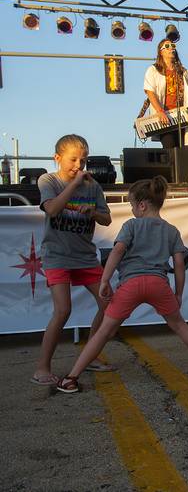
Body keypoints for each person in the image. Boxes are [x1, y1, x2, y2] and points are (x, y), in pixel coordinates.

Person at [56, 176, 188, 393]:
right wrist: (178, 293)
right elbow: (179, 263)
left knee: (104, 331)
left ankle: (71, 378)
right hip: (158, 284)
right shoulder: (171, 231)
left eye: (132, 205)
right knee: (179, 325)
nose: (132, 210)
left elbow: (118, 251)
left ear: (142, 205)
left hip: (130, 285)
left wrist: (105, 279)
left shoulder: (131, 225)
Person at [31, 135, 114, 386]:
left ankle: (92, 354)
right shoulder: (49, 180)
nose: (79, 165)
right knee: (63, 310)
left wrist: (95, 212)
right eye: (73, 159)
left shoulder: (93, 186)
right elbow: (53, 209)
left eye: (83, 160)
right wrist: (74, 183)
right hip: (57, 256)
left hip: (85, 256)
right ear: (57, 158)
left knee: (109, 303)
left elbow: (107, 219)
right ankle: (42, 368)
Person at [141, 38, 188, 148]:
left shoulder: (183, 71)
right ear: (160, 52)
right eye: (167, 46)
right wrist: (160, 111)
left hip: (181, 116)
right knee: (170, 147)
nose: (171, 48)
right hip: (165, 116)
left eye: (173, 46)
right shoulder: (153, 70)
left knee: (183, 151)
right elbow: (150, 91)